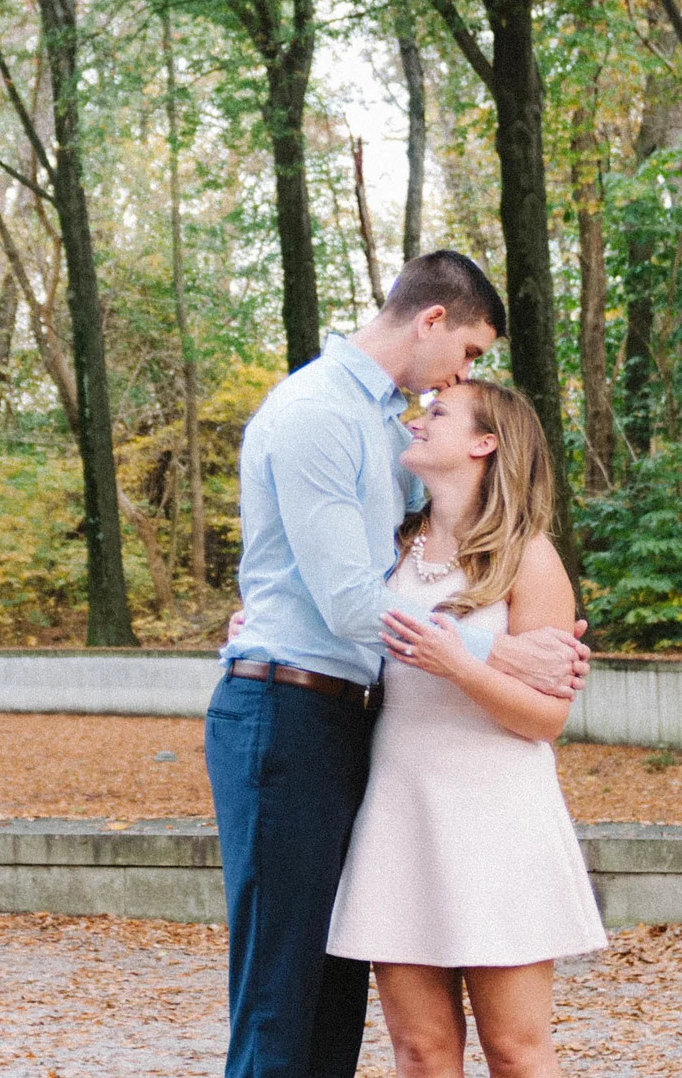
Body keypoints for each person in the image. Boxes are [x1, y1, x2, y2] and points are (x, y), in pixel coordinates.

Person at [208, 250, 590, 1078]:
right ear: (431, 321)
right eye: (469, 351)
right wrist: (497, 649)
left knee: (327, 1004)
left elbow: (342, 576)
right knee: (284, 999)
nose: (458, 375)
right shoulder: (320, 411)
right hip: (294, 715)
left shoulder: (389, 434)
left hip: (362, 731)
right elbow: (347, 603)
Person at [328, 379, 605, 1077]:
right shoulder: (387, 549)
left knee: (514, 1048)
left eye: (438, 412)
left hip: (498, 821)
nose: (418, 420)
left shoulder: (528, 556)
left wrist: (461, 665)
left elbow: (546, 718)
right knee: (420, 1049)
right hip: (401, 814)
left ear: (484, 443)